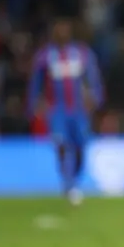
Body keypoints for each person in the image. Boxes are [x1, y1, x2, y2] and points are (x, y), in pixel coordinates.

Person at [28, 18, 104, 205]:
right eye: (58, 30)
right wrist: (33, 104)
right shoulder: (45, 55)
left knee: (80, 147)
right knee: (61, 145)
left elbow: (93, 77)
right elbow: (35, 82)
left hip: (78, 110)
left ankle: (75, 179)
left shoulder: (81, 53)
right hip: (57, 110)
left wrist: (96, 97)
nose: (62, 33)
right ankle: (68, 184)